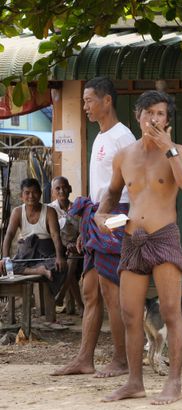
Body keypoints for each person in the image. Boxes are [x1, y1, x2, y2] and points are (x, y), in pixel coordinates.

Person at [94, 90, 182, 405]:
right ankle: (134, 382)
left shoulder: (178, 151)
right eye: (148, 112)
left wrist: (169, 150)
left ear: (168, 120)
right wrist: (102, 214)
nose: (154, 118)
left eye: (161, 113)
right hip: (131, 238)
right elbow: (112, 193)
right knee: (129, 314)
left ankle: (174, 383)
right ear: (138, 116)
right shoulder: (124, 155)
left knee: (169, 312)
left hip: (164, 236)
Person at [52, 77, 136, 378]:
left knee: (110, 291)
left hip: (116, 218)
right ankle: (84, 359)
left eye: (89, 100)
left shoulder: (122, 137)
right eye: (84, 101)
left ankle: (121, 360)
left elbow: (132, 188)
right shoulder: (100, 136)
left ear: (107, 101)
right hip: (97, 219)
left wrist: (112, 225)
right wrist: (88, 228)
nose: (85, 106)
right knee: (89, 290)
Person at [1, 179, 66, 292]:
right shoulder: (17, 212)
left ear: (40, 194)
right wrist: (5, 258)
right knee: (8, 267)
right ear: (21, 196)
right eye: (27, 193)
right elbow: (9, 235)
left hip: (46, 255)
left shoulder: (50, 211)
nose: (31, 196)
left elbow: (55, 236)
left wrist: (59, 257)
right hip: (26, 254)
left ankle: (42, 271)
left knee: (59, 266)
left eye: (35, 192)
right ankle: (38, 270)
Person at [49, 176, 83, 316]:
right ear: (53, 192)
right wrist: (64, 245)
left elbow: (82, 231)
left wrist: (75, 244)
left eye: (64, 187)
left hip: (76, 247)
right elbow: (52, 233)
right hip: (57, 248)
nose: (61, 190)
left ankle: (62, 295)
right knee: (71, 262)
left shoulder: (78, 209)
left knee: (73, 257)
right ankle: (80, 306)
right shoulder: (50, 209)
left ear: (70, 189)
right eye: (58, 188)